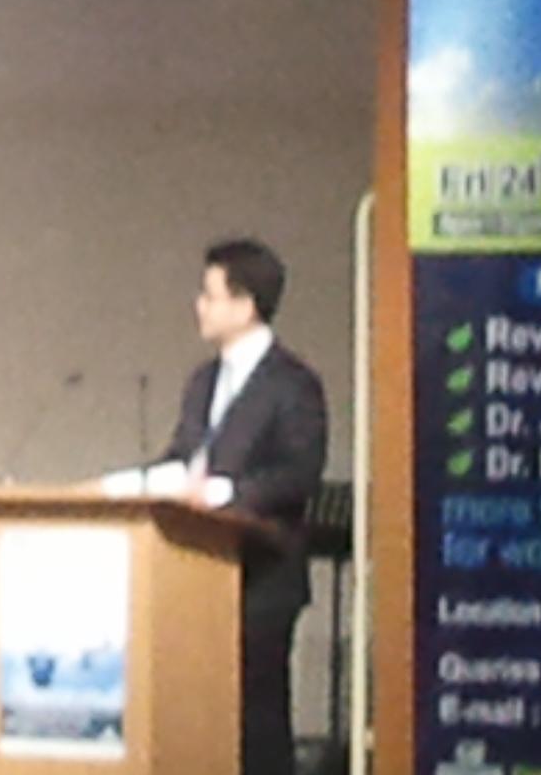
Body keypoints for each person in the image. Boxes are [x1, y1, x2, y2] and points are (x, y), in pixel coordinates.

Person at [161, 238, 328, 775]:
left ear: (245, 304)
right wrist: (144, 484)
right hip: (197, 573)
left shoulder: (293, 384)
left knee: (257, 725)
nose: (199, 306)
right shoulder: (202, 381)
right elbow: (183, 456)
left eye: (210, 295)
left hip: (262, 578)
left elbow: (298, 473)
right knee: (197, 720)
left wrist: (223, 493)